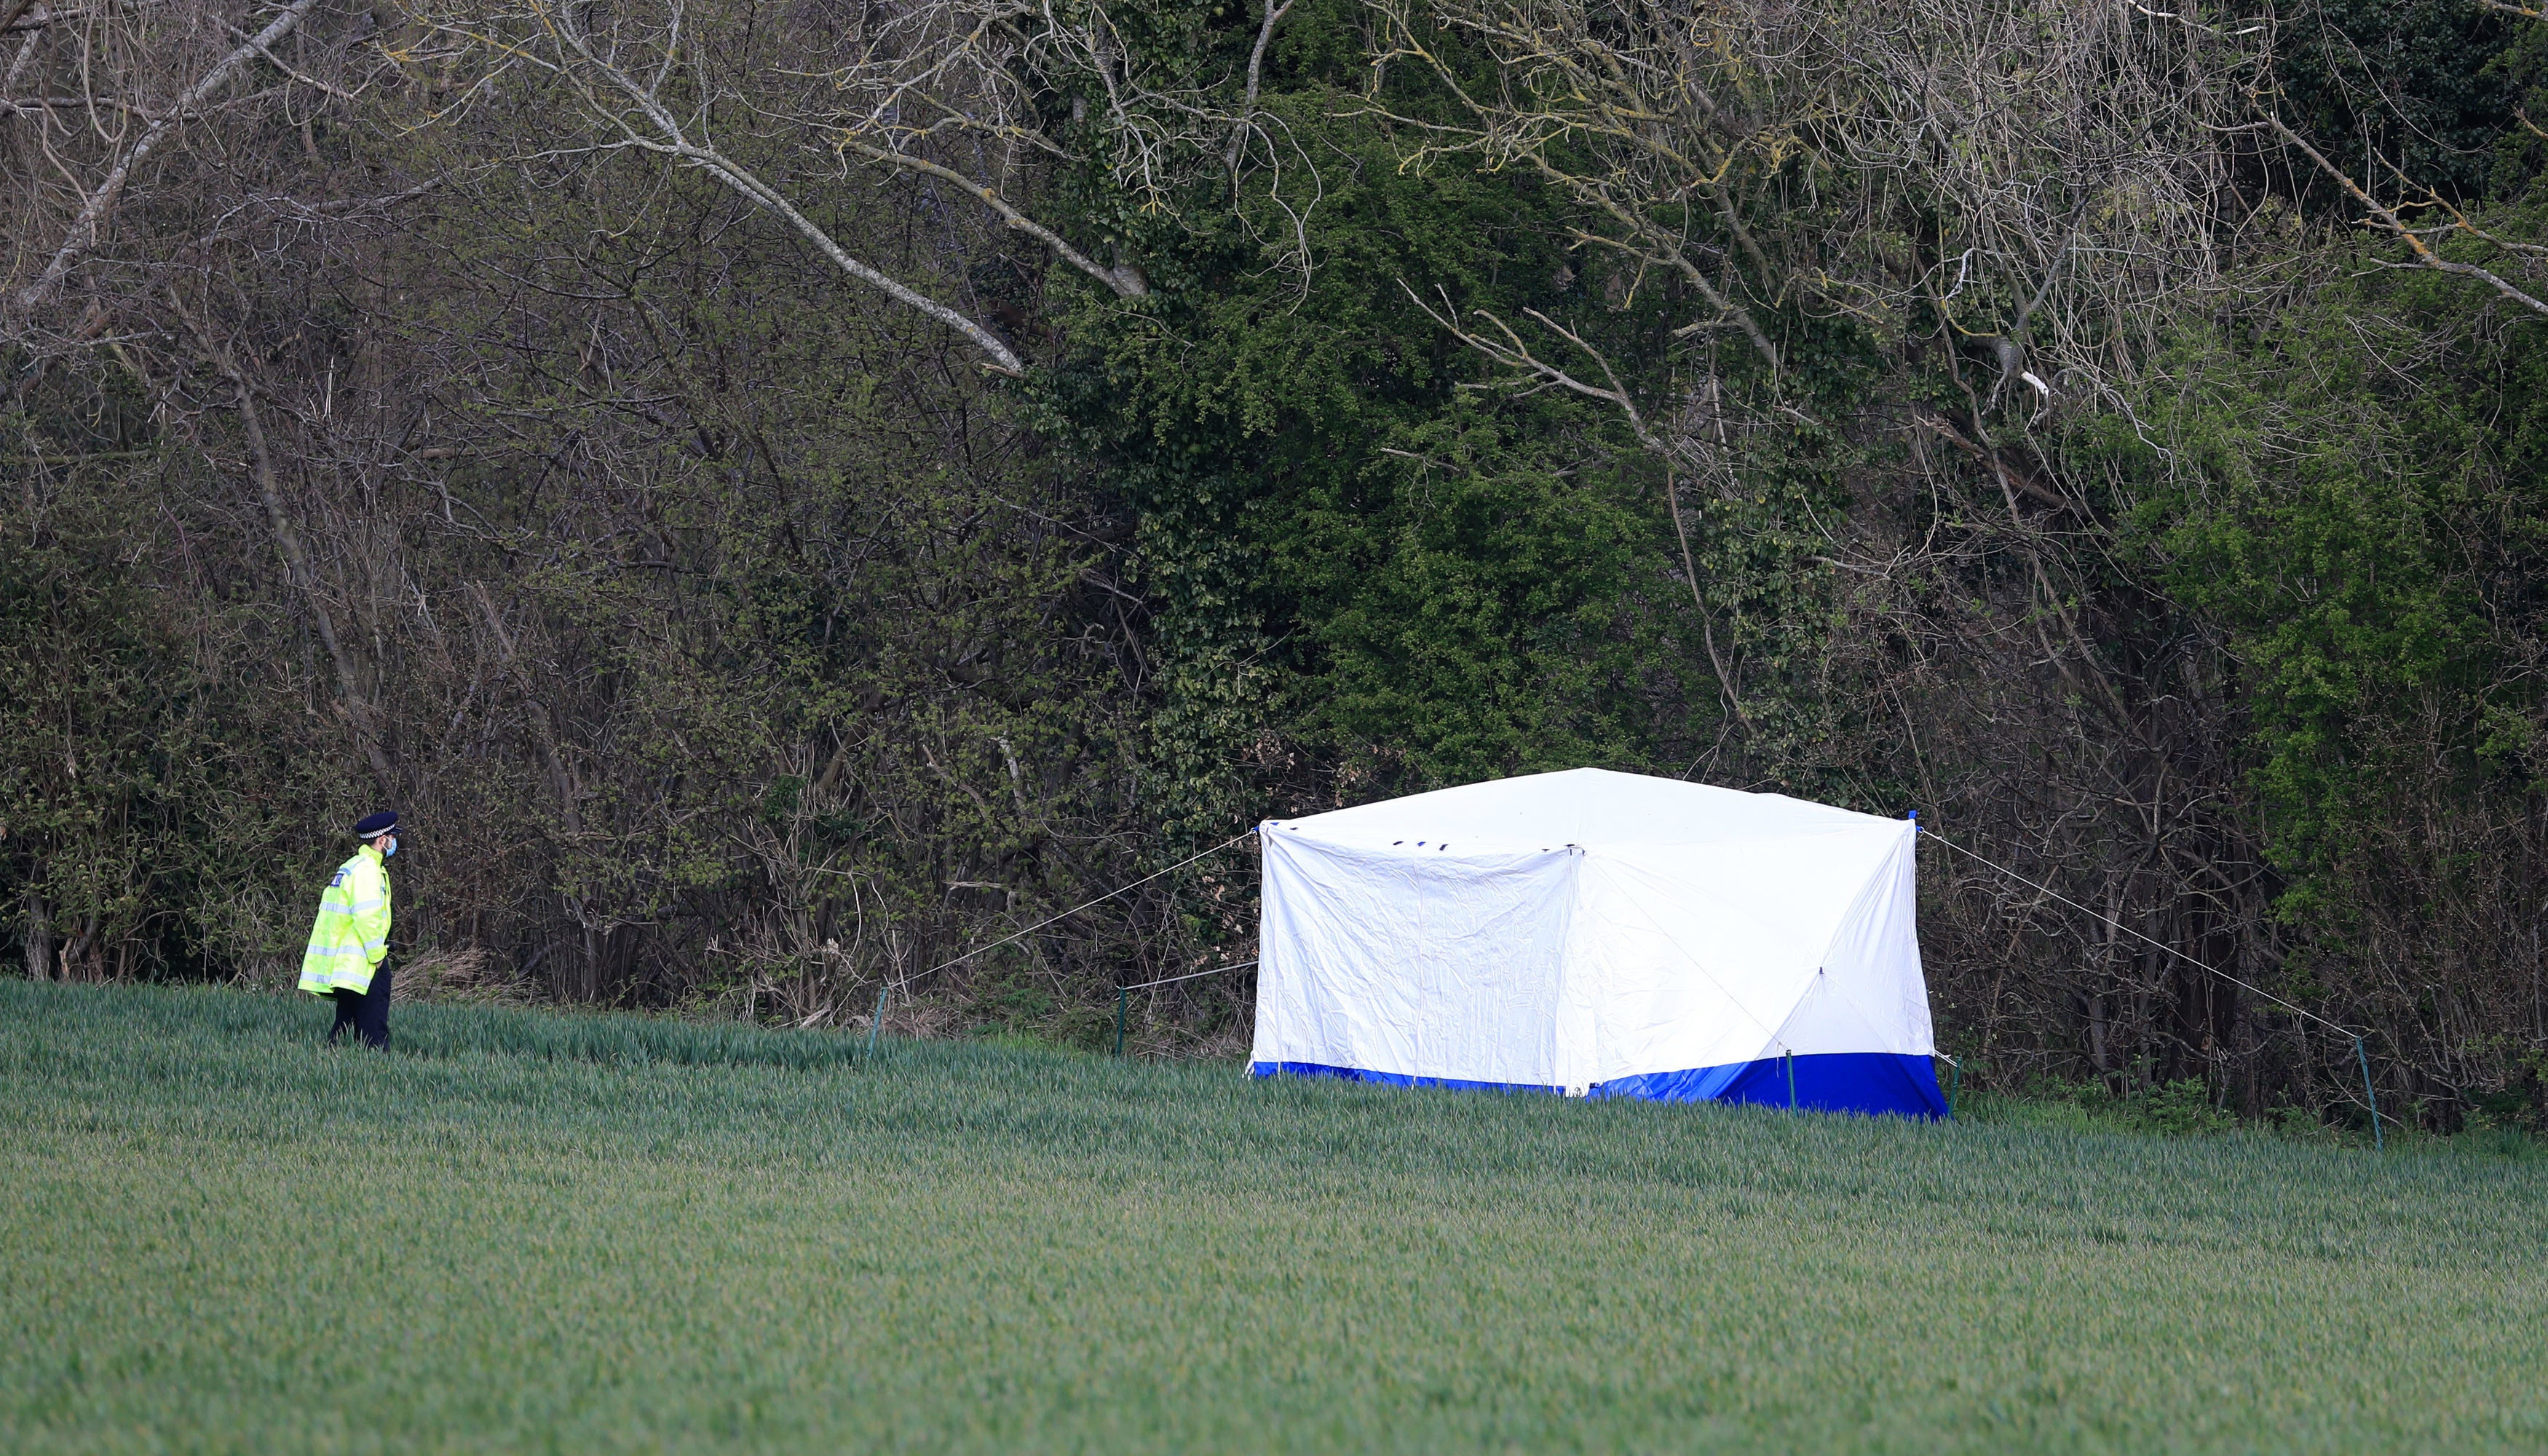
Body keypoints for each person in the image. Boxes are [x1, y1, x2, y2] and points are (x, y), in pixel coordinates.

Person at [299, 811, 400, 1048]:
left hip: (346, 963)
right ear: (382, 840)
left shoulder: (351, 866)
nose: (395, 842)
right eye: (393, 837)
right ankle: (377, 1067)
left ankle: (336, 1058)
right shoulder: (368, 871)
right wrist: (377, 957)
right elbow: (367, 917)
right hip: (364, 960)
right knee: (373, 1026)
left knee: (345, 1021)